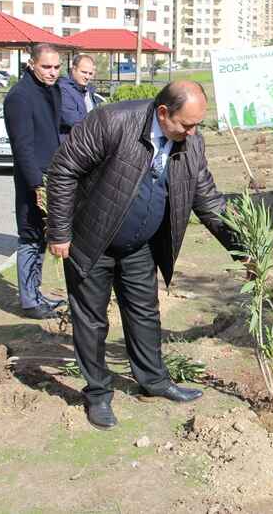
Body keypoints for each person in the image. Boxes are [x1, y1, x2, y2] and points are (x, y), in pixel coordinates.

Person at [45, 81, 241, 429]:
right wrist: (59, 231)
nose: (192, 132)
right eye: (186, 125)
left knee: (144, 313)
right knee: (91, 321)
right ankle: (98, 393)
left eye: (197, 125)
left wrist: (243, 249)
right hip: (91, 241)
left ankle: (154, 380)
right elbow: (63, 170)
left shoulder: (191, 142)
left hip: (140, 245)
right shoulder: (111, 122)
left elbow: (208, 199)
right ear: (163, 113)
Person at [4, 43, 66, 319]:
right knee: (30, 236)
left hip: (52, 174)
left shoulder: (51, 90)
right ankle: (29, 300)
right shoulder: (20, 96)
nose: (53, 72)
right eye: (46, 67)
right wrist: (37, 186)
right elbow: (22, 147)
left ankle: (36, 293)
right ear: (32, 64)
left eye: (57, 67)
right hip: (34, 179)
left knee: (43, 238)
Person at [58, 53, 98, 139]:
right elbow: (72, 120)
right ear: (74, 70)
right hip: (69, 144)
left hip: (85, 141)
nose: (87, 77)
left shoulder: (88, 90)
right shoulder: (63, 89)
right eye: (84, 72)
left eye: (90, 73)